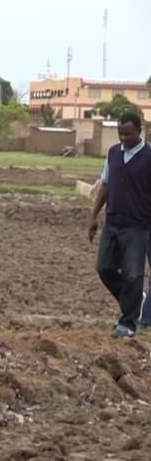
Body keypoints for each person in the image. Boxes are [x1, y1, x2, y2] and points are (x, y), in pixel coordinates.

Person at [87, 112, 151, 337]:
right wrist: (94, 215)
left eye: (128, 133)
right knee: (104, 268)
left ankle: (128, 323)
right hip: (113, 221)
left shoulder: (149, 156)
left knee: (133, 274)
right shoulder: (113, 153)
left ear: (139, 130)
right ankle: (134, 299)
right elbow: (105, 184)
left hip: (138, 225)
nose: (123, 137)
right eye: (120, 133)